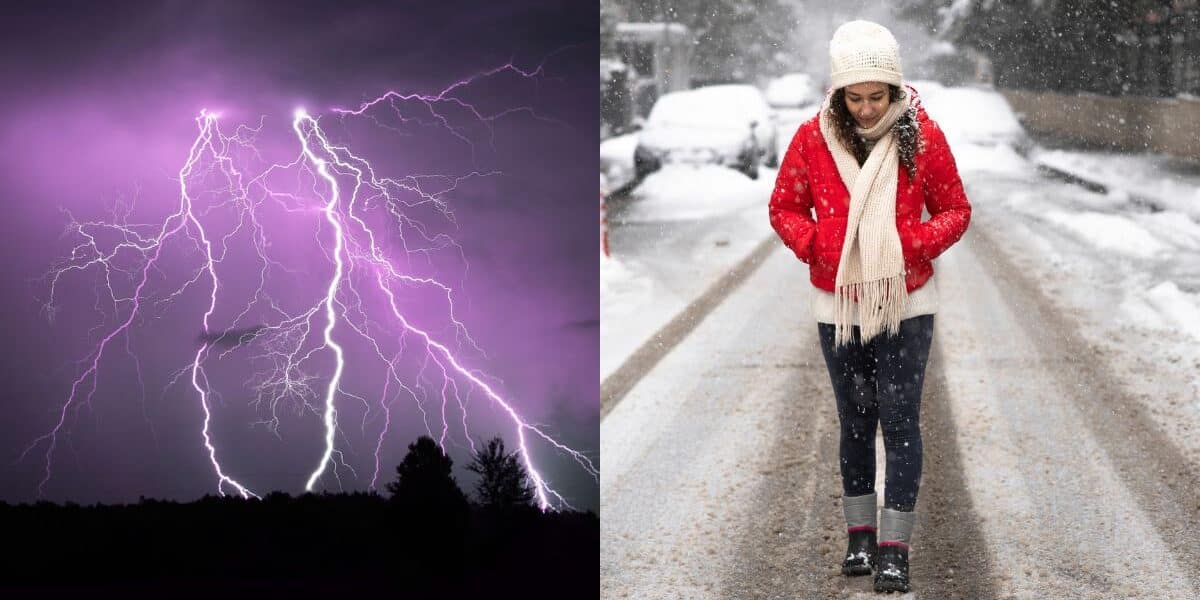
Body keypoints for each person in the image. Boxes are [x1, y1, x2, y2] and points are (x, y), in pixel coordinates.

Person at [768, 20, 971, 593]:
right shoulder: (812, 139)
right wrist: (820, 245)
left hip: (907, 303)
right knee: (856, 420)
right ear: (838, 94)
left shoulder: (921, 137)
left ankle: (894, 548)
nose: (864, 109)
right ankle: (859, 539)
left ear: (894, 89)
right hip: (839, 307)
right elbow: (784, 206)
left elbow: (955, 209)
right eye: (853, 98)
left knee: (901, 421)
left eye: (875, 96)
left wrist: (910, 244)